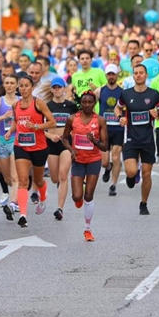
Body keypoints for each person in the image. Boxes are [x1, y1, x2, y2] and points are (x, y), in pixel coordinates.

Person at [7, 75, 56, 227]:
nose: (23, 88)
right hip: (21, 145)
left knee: (39, 180)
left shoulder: (38, 103)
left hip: (39, 147)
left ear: (32, 87)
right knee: (23, 180)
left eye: (26, 86)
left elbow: (52, 122)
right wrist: (10, 131)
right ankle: (23, 215)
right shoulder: (15, 105)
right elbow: (16, 121)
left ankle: (43, 196)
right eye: (21, 86)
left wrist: (36, 127)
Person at [116, 64, 159, 216]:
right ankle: (131, 176)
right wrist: (120, 117)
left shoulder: (154, 94)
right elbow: (118, 108)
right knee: (130, 171)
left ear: (146, 75)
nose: (138, 75)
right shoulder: (126, 94)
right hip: (131, 138)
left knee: (147, 174)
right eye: (135, 73)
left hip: (148, 139)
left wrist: (158, 114)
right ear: (133, 76)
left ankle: (143, 204)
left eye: (141, 73)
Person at [61, 91, 108, 242]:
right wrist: (71, 150)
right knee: (76, 196)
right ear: (80, 103)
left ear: (94, 104)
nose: (87, 105)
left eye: (90, 102)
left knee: (89, 195)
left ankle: (87, 229)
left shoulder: (100, 121)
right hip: (78, 160)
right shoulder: (72, 119)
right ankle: (78, 194)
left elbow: (105, 146)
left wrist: (94, 141)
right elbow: (64, 138)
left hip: (94, 159)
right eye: (84, 102)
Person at [43, 77, 79, 221]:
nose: (57, 90)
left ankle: (60, 208)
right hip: (51, 144)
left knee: (63, 175)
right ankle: (59, 185)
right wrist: (50, 136)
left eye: (60, 87)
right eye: (55, 87)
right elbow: (39, 128)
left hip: (66, 143)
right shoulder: (46, 106)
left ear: (64, 89)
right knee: (54, 178)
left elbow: (79, 123)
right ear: (51, 89)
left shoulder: (71, 106)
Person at [0, 74, 19, 214]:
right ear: (4, 85)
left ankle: (14, 203)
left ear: (17, 85)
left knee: (15, 177)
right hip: (2, 141)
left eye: (12, 83)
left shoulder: (21, 101)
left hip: (17, 140)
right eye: (7, 83)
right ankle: (18, 192)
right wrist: (3, 117)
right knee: (7, 178)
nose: (9, 85)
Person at [97, 65, 124, 196]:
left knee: (116, 157)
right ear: (106, 75)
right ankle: (108, 169)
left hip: (118, 128)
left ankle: (113, 185)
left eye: (113, 74)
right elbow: (89, 105)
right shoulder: (100, 91)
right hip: (104, 130)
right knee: (104, 161)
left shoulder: (122, 91)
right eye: (109, 74)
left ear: (117, 75)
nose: (111, 77)